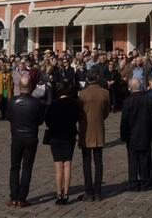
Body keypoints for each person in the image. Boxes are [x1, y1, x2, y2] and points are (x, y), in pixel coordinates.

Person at [6, 73, 44, 208]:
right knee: (27, 167)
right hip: (31, 136)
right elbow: (40, 121)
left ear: (20, 86)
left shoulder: (12, 101)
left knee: (14, 167)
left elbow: (9, 117)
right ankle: (22, 198)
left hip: (16, 137)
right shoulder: (36, 102)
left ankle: (14, 197)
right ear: (31, 86)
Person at [44, 80, 80, 205]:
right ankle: (66, 194)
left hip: (56, 137)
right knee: (67, 164)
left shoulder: (52, 105)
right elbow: (77, 118)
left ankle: (59, 194)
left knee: (58, 165)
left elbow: (47, 121)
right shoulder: (74, 104)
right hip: (69, 135)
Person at [77, 68, 110, 201]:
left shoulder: (82, 94)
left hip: (85, 130)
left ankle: (88, 191)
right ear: (97, 77)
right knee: (98, 161)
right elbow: (106, 112)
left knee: (86, 162)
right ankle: (97, 191)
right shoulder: (105, 93)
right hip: (98, 129)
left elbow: (79, 113)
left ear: (87, 79)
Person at [120, 77, 152, 192]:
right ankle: (144, 182)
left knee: (133, 160)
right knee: (144, 159)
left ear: (130, 88)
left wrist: (124, 136)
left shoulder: (127, 101)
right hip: (145, 133)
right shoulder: (148, 100)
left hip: (132, 135)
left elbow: (124, 121)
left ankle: (133, 183)